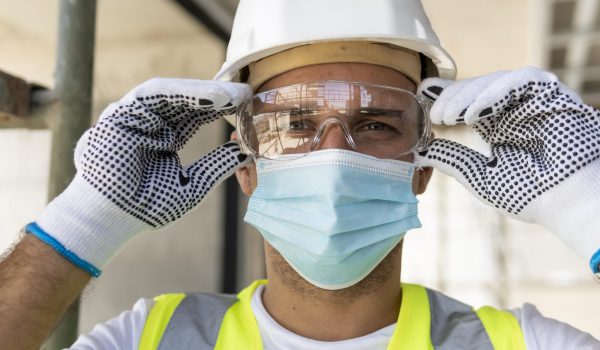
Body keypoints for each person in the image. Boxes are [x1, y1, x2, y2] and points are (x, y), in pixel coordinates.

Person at [0, 0, 599, 349]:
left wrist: (587, 209)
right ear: (245, 166)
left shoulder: (521, 345)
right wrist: (87, 219)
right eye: (294, 122)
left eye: (375, 125)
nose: (332, 157)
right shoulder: (148, 340)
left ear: (422, 169)